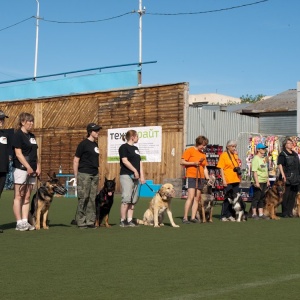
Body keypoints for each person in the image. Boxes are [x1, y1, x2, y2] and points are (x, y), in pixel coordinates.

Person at [12, 112, 40, 231]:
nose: (31, 123)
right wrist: (28, 167)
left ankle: (25, 221)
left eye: (32, 121)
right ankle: (19, 222)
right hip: (21, 169)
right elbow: (18, 154)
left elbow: (35, 153)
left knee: (27, 196)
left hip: (32, 170)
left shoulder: (32, 136)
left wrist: (38, 166)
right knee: (19, 195)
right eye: (29, 121)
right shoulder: (18, 135)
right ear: (23, 122)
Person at [73, 123, 101, 229]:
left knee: (92, 198)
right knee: (83, 197)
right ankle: (81, 221)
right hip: (84, 173)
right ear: (90, 132)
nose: (98, 132)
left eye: (98, 130)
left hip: (95, 174)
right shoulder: (83, 144)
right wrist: (76, 175)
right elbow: (76, 160)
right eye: (96, 130)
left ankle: (90, 221)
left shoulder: (95, 145)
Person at [181, 135, 210, 224]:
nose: (204, 147)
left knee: (197, 198)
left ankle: (193, 217)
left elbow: (204, 167)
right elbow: (182, 162)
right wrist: (193, 163)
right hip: (191, 176)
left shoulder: (203, 154)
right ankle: (185, 217)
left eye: (205, 145)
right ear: (198, 143)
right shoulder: (189, 150)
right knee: (190, 197)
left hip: (200, 178)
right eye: (203, 145)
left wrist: (207, 177)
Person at [119, 130, 145, 227]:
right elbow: (124, 161)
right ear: (132, 137)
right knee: (127, 198)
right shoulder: (123, 147)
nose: (138, 138)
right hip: (126, 175)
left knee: (133, 199)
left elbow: (140, 163)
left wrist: (141, 176)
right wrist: (134, 171)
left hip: (136, 177)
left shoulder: (136, 148)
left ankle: (130, 220)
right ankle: (123, 220)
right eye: (137, 136)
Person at [217, 140, 241, 222]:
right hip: (228, 179)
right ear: (228, 147)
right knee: (227, 198)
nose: (234, 148)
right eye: (232, 146)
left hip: (236, 179)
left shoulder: (235, 155)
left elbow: (237, 165)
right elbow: (221, 168)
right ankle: (223, 215)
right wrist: (223, 179)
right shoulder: (223, 155)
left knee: (235, 199)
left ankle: (230, 214)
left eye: (235, 146)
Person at [277, 138, 300, 218]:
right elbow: (280, 164)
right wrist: (283, 174)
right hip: (287, 176)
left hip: (296, 177)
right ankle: (285, 212)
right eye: (289, 143)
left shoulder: (295, 154)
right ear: (285, 145)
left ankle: (290, 212)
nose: (291, 144)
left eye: (291, 143)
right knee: (286, 195)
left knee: (293, 195)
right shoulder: (283, 154)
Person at [251, 143, 270, 220]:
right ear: (258, 149)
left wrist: (267, 180)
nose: (264, 150)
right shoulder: (255, 159)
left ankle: (261, 214)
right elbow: (254, 171)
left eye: (264, 149)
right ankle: (254, 214)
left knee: (262, 197)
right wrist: (257, 182)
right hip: (258, 181)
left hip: (264, 181)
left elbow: (266, 170)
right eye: (262, 149)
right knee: (256, 197)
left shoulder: (264, 158)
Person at [0, 110, 10, 233]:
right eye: (0, 119)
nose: (2, 121)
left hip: (3, 170)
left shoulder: (4, 134)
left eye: (3, 119)